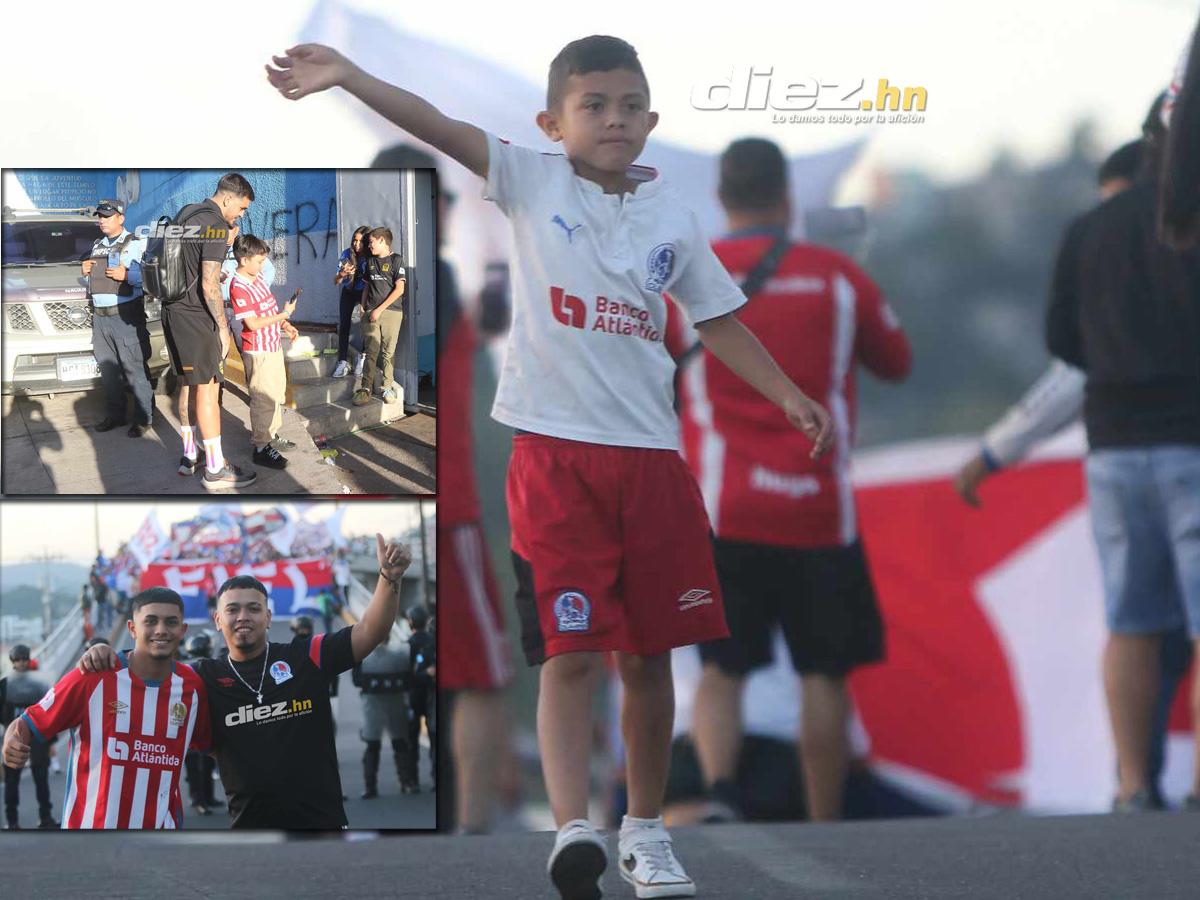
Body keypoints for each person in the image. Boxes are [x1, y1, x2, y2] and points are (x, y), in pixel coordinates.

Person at [267, 36, 832, 899]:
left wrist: (790, 395)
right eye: (592, 105)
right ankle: (574, 828)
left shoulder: (673, 218)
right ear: (552, 122)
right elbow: (438, 124)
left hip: (651, 463)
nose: (613, 120)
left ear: (649, 120)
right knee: (570, 654)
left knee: (647, 661)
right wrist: (349, 76)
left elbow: (718, 320)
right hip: (553, 461)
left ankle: (645, 831)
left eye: (628, 106)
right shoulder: (531, 181)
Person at [671, 137, 911, 823]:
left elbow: (650, 369)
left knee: (722, 669)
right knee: (823, 672)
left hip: (723, 508)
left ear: (721, 199)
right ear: (788, 197)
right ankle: (825, 818)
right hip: (819, 510)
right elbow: (896, 360)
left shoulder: (688, 278)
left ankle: (718, 795)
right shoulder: (837, 275)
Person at [1045, 97, 1200, 812]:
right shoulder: (1188, 225)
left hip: (1112, 443)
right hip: (1191, 438)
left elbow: (1061, 341)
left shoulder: (1087, 228)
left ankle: (1134, 785)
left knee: (1131, 620)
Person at [79, 534, 411, 829]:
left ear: (268, 617)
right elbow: (146, 670)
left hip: (322, 823)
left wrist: (389, 578)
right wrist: (106, 654)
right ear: (218, 619)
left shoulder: (306, 655)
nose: (243, 617)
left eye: (253, 609)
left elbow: (371, 631)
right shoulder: (200, 676)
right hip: (249, 830)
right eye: (233, 610)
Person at [2, 590, 209, 829]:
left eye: (170, 622)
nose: (161, 629)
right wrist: (12, 739)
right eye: (150, 621)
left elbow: (212, 744)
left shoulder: (193, 687)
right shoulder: (92, 677)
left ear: (183, 631)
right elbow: (29, 721)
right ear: (132, 628)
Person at [161, 173, 258, 489]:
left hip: (173, 311)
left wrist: (223, 243)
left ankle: (192, 454)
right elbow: (209, 283)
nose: (240, 215)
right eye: (241, 209)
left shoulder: (187, 214)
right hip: (196, 317)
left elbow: (186, 260)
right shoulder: (215, 224)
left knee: (188, 384)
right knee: (209, 386)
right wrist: (221, 328)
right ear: (228, 198)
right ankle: (216, 468)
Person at [80, 199, 154, 436]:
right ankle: (116, 415)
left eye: (107, 216)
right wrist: (84, 271)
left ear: (121, 218)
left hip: (125, 315)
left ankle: (144, 419)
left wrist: (128, 274)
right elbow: (94, 281)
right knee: (109, 370)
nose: (102, 220)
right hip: (100, 318)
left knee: (134, 369)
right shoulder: (97, 244)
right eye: (100, 216)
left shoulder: (137, 243)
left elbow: (152, 277)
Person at [227, 234, 299, 471]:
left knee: (276, 395)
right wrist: (284, 315)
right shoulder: (238, 286)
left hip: (273, 345)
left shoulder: (256, 278)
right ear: (244, 260)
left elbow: (268, 308)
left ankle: (272, 435)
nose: (262, 266)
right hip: (258, 351)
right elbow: (253, 324)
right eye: (259, 261)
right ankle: (260, 447)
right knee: (262, 400)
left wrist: (284, 325)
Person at [1, 645, 56, 829]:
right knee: (12, 781)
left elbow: (50, 711)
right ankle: (12, 819)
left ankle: (45, 816)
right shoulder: (5, 684)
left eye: (24, 659)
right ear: (13, 661)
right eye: (18, 659)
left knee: (41, 779)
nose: (22, 663)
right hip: (14, 736)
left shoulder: (38, 683)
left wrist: (51, 741)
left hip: (36, 737)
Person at [351, 630, 410, 798]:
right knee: (400, 744)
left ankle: (370, 787)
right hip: (396, 703)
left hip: (372, 705)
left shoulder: (362, 656)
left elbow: (356, 681)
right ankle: (406, 782)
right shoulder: (401, 654)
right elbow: (409, 679)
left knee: (372, 746)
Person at [353, 227, 406, 407]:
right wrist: (362, 306)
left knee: (388, 353)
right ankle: (365, 389)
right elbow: (367, 286)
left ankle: (387, 387)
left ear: (382, 240)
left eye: (371, 242)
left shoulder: (396, 260)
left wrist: (379, 309)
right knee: (371, 352)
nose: (369, 245)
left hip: (392, 312)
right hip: (370, 313)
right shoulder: (369, 262)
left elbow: (400, 289)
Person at [180, 632, 222, 815]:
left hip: (188, 723)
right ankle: (200, 800)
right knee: (202, 764)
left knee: (198, 765)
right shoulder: (207, 667)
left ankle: (205, 798)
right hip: (201, 723)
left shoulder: (184, 668)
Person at [333, 225, 372, 379]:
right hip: (348, 291)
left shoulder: (370, 257)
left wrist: (363, 304)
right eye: (355, 240)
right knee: (344, 325)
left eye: (361, 241)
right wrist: (342, 273)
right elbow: (335, 281)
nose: (356, 244)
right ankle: (342, 361)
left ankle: (361, 357)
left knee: (365, 325)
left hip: (364, 291)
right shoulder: (346, 254)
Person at [404, 603, 435, 792]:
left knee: (411, 742)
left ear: (410, 622)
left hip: (413, 698)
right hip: (431, 697)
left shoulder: (408, 644)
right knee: (434, 739)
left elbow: (406, 673)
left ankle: (412, 780)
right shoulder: (432, 641)